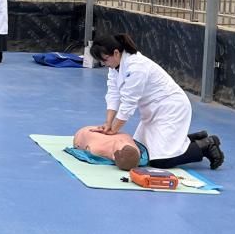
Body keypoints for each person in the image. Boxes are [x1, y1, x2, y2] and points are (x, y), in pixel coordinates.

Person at [88, 33, 224, 169]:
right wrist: (108, 123)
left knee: (161, 160)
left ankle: (207, 145)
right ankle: (195, 139)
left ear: (116, 53)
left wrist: (113, 129)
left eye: (105, 60)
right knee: (143, 151)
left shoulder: (136, 67)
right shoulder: (115, 67)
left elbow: (128, 104)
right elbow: (113, 94)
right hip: (153, 110)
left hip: (171, 108)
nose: (104, 64)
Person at [72, 124, 144, 171]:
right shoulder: (131, 144)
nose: (122, 142)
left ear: (114, 156)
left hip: (83, 135)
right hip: (88, 132)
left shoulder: (97, 148)